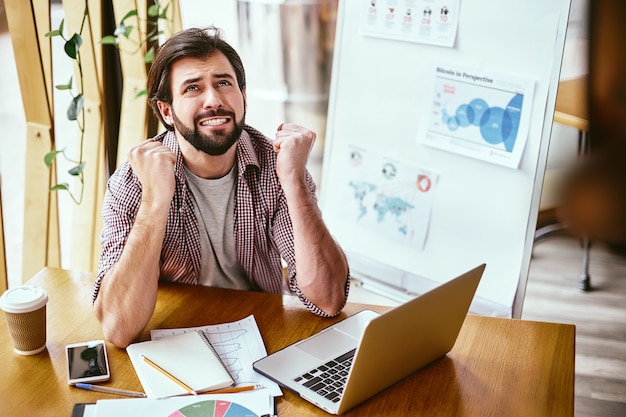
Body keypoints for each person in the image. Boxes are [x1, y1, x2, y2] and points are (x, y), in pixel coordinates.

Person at [92, 27, 350, 348]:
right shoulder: (133, 181)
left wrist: (295, 181)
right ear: (166, 111)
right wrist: (155, 201)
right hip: (177, 341)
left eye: (223, 83)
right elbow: (119, 329)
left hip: (262, 332)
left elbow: (327, 299)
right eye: (192, 88)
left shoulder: (277, 167)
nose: (213, 100)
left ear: (242, 95)